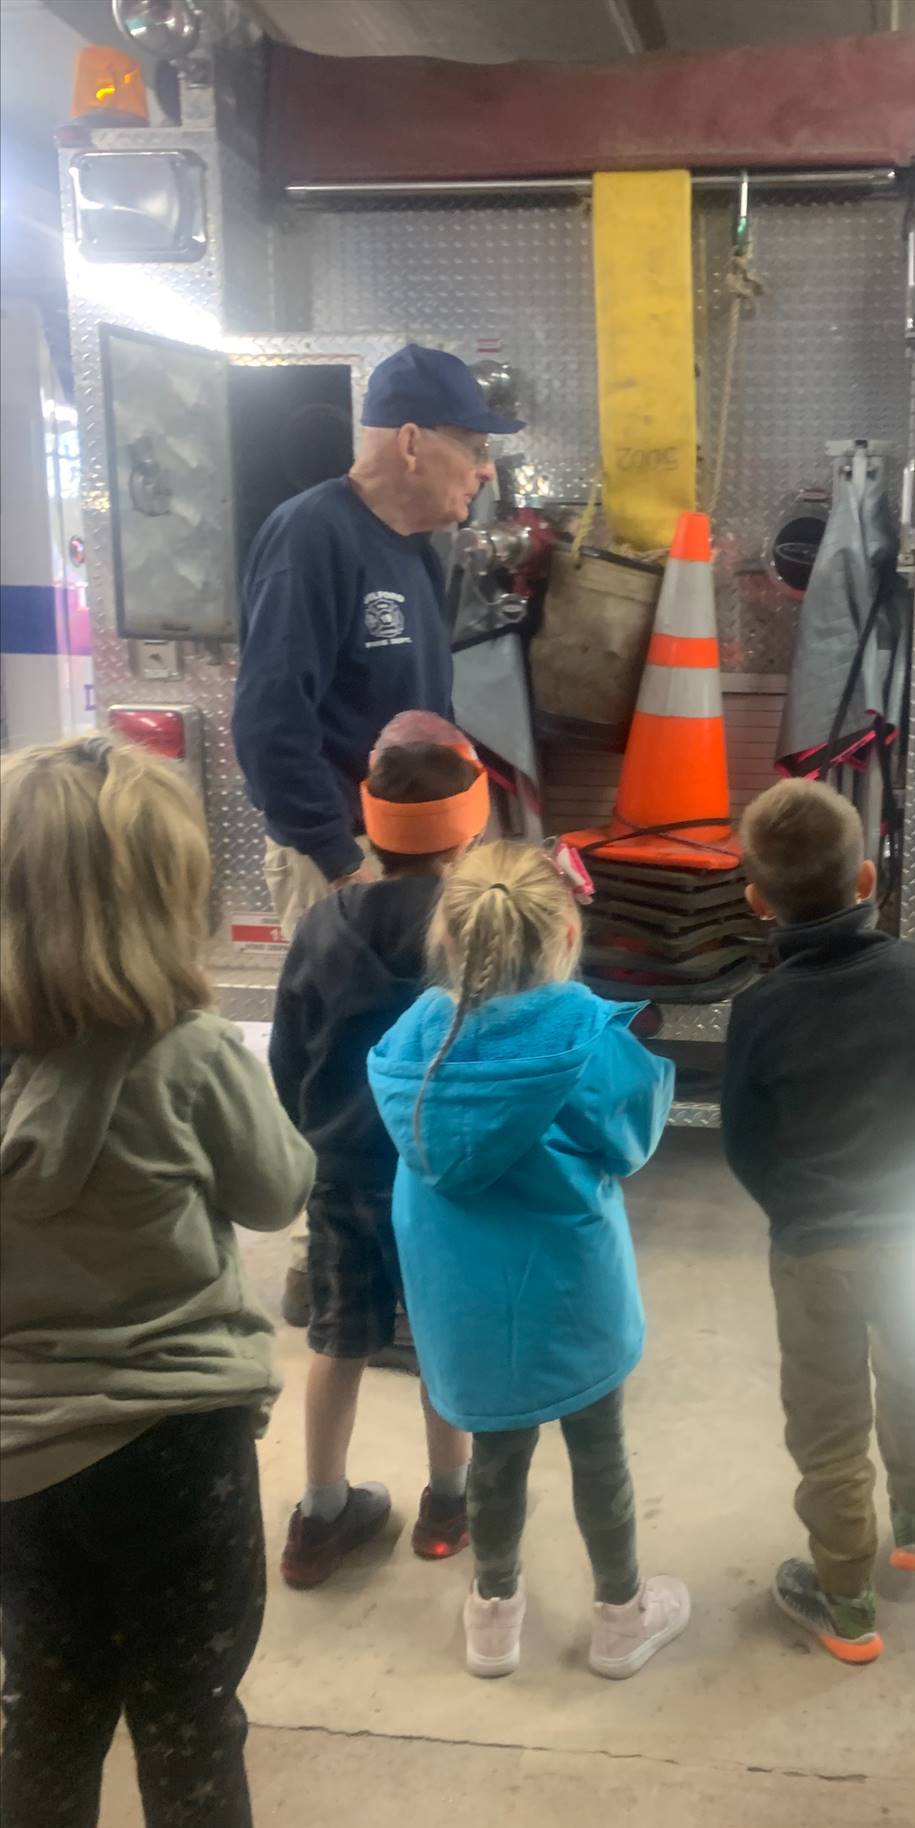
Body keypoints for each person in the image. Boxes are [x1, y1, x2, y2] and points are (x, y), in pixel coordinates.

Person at [0, 737, 349, 1828]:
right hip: (174, 1445)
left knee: (45, 1710)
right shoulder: (192, 1054)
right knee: (188, 1713)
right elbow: (276, 1192)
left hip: (17, 1455)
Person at [232, 341, 518, 1327]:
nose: (484, 470)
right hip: (346, 864)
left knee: (404, 1071)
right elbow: (270, 717)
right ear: (409, 440)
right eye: (473, 447)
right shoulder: (312, 536)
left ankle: (384, 1282)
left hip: (407, 863)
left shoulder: (410, 552)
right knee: (345, 1072)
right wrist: (341, 859)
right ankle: (333, 1286)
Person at [367, 840, 688, 1681]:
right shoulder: (581, 1031)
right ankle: (622, 1615)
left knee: (496, 1460)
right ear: (563, 934)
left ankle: (494, 1616)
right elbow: (633, 1134)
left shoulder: (410, 1042)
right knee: (600, 1454)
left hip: (463, 1305)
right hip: (573, 1295)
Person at [721, 779, 915, 1665]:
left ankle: (848, 1603)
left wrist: (793, 1211)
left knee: (827, 1425)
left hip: (816, 1243)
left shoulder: (759, 1009)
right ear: (865, 876)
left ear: (756, 901)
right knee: (914, 1370)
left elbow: (745, 1141)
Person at [268, 715, 491, 1590]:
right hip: (440, 1180)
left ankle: (320, 1514)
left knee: (337, 1339)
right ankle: (448, 1505)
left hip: (342, 1173)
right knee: (442, 1341)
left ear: (371, 825)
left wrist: (318, 1132)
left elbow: (290, 1056)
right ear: (469, 826)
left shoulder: (324, 926)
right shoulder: (478, 928)